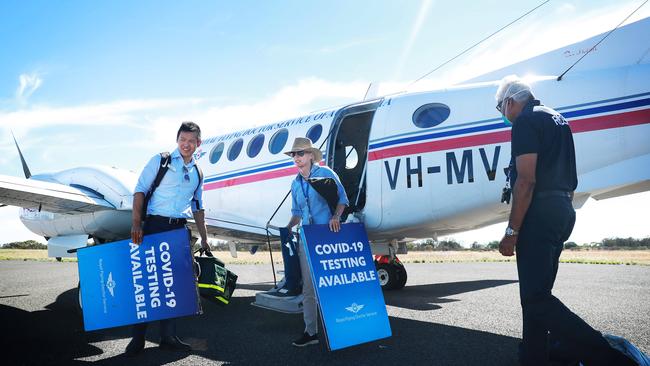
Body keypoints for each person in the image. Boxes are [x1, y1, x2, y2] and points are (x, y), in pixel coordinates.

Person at [495, 76, 634, 365]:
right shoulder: (557, 118)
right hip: (562, 209)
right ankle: (534, 359)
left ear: (510, 101)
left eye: (500, 109)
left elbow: (526, 181)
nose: (503, 116)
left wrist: (512, 231)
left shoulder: (525, 121)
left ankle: (611, 357)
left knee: (536, 300)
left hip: (540, 213)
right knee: (536, 298)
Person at [125, 121, 210, 357]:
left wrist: (204, 238)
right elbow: (140, 190)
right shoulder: (160, 161)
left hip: (179, 230)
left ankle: (168, 337)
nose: (186, 144)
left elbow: (198, 206)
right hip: (154, 225)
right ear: (177, 140)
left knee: (172, 285)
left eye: (191, 141)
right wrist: (136, 224)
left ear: (198, 144)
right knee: (148, 282)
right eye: (183, 140)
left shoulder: (198, 172)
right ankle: (138, 337)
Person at [285, 137, 349, 347]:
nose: (297, 158)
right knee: (309, 289)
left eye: (301, 153)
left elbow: (343, 199)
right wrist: (287, 228)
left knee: (333, 285)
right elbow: (296, 213)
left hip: (328, 236)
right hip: (306, 237)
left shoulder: (326, 174)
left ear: (311, 156)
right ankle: (310, 331)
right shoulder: (295, 183)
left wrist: (336, 217)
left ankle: (345, 328)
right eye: (294, 154)